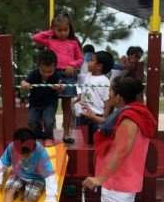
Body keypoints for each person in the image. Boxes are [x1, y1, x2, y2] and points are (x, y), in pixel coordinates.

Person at [82, 76, 156, 202]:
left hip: (117, 183)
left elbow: (122, 151)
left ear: (118, 96)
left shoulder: (128, 117)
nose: (108, 94)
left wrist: (100, 178)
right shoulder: (133, 112)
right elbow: (115, 126)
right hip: (121, 182)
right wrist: (94, 117)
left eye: (110, 90)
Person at [33, 13, 84, 144]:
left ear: (70, 29)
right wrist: (51, 32)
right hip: (53, 75)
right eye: (59, 30)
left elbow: (80, 59)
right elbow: (36, 37)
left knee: (67, 105)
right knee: (50, 103)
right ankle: (48, 133)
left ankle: (66, 134)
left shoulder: (73, 43)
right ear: (54, 30)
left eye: (65, 30)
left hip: (67, 75)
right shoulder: (50, 41)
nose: (62, 33)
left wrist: (71, 64)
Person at [21, 49, 62, 147]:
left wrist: (59, 87)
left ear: (54, 67)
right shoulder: (34, 74)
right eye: (43, 71)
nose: (46, 74)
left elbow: (62, 85)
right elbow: (23, 82)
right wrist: (25, 84)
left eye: (50, 71)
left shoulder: (56, 75)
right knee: (32, 121)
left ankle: (48, 137)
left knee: (49, 119)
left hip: (50, 103)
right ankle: (38, 136)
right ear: (38, 66)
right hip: (35, 103)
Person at [75, 51, 115, 144]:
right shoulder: (87, 76)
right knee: (85, 142)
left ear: (99, 66)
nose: (89, 62)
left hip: (96, 117)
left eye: (92, 60)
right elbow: (85, 91)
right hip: (83, 116)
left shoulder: (104, 81)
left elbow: (107, 100)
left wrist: (104, 117)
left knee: (95, 142)